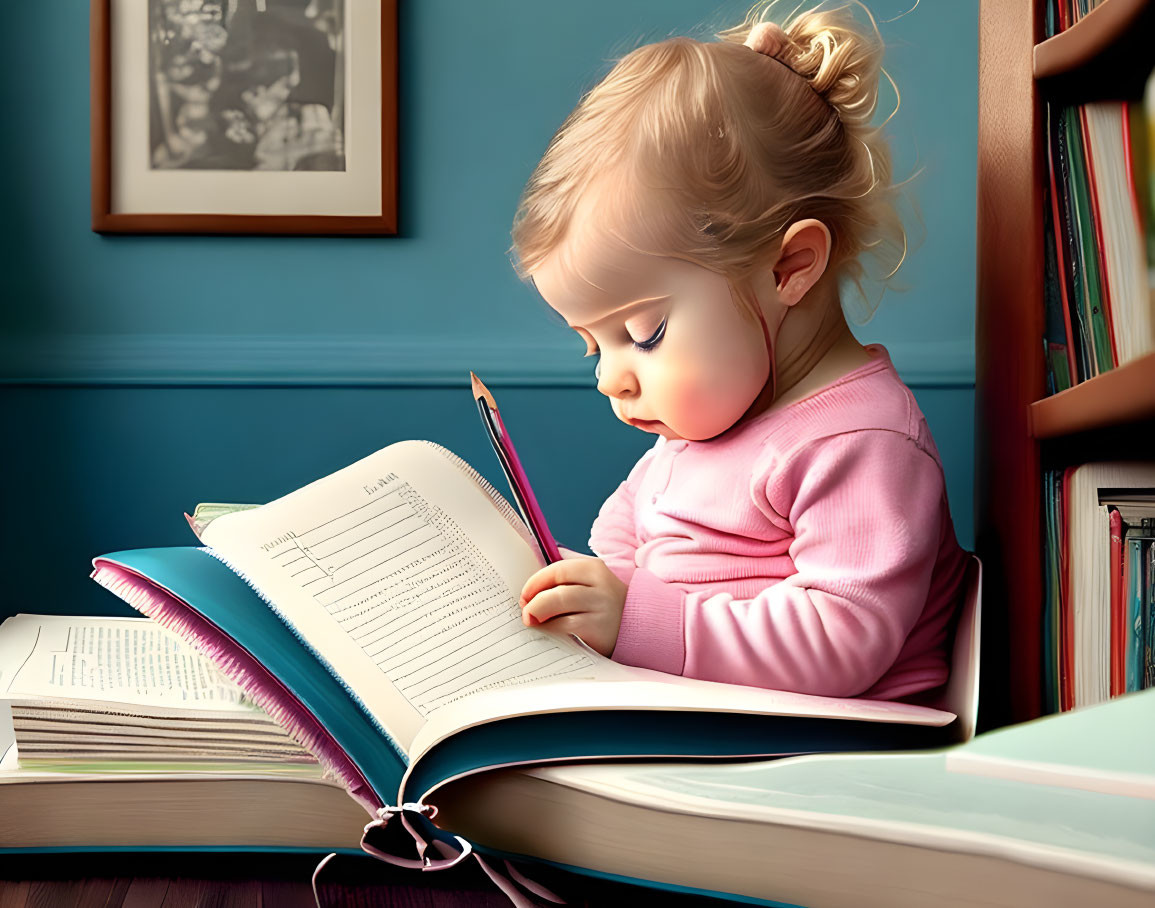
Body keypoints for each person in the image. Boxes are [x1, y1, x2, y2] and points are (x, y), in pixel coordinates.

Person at [511, 0, 970, 702]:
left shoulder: (860, 439)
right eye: (590, 344)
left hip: (821, 753)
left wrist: (633, 616)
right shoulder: (708, 419)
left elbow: (840, 640)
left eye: (643, 334)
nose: (611, 378)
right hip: (712, 723)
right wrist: (587, 593)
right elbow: (626, 529)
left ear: (789, 268)